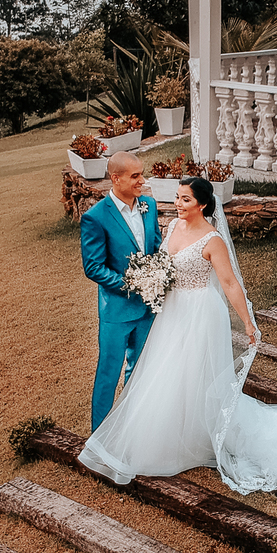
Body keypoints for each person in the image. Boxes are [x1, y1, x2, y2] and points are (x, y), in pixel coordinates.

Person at [78, 176, 277, 494]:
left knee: (196, 371)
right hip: (172, 311)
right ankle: (172, 431)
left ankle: (201, 435)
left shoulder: (212, 240)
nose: (178, 204)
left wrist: (249, 323)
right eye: (177, 197)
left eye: (185, 199)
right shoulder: (171, 227)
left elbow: (229, 284)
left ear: (202, 204)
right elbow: (163, 264)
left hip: (201, 312)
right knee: (169, 369)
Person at [80, 151, 162, 430]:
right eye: (135, 176)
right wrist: (132, 284)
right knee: (108, 372)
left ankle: (130, 428)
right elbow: (93, 267)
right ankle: (99, 436)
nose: (142, 181)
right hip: (116, 309)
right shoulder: (96, 217)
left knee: (139, 369)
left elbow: (156, 249)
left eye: (142, 174)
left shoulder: (149, 206)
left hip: (148, 308)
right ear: (116, 179)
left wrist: (158, 276)